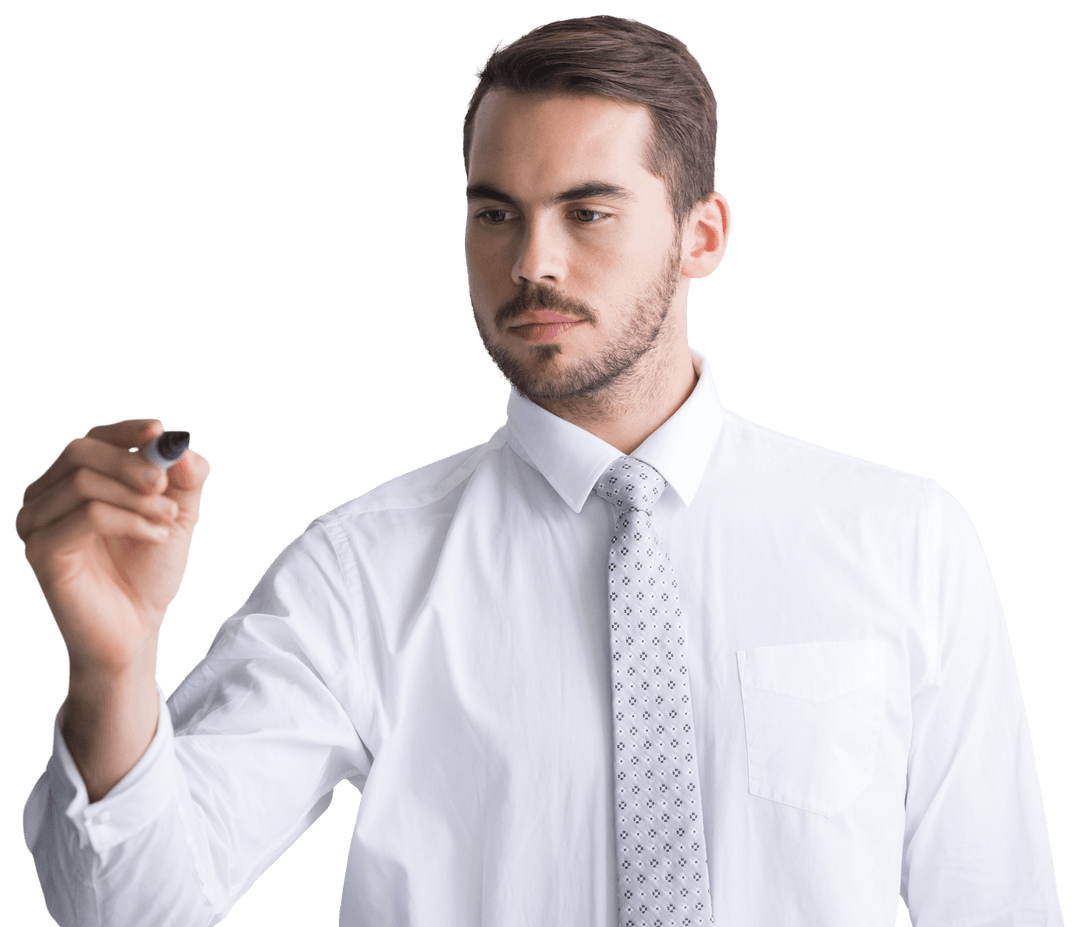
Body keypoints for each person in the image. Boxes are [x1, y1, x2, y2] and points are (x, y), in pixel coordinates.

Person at [18, 15, 1063, 927]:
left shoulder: (904, 538)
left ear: (703, 235)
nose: (533, 263)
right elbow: (132, 907)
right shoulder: (362, 568)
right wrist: (112, 669)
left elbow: (997, 906)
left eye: (588, 211)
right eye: (494, 213)